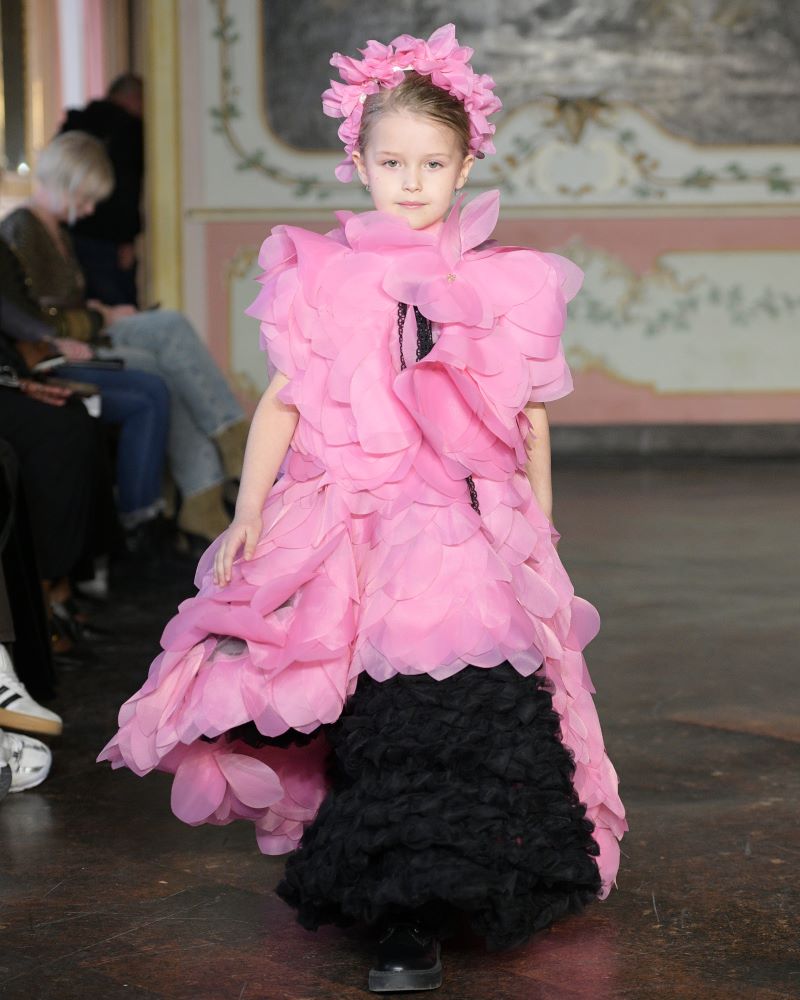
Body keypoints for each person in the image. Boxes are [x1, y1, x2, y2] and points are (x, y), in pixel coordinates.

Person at [99, 25, 627, 993]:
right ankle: (399, 906)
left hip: (462, 530)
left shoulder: (499, 281)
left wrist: (537, 532)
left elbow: (529, 420)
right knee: (383, 709)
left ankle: (453, 882)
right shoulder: (326, 277)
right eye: (391, 163)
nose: (411, 182)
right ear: (359, 161)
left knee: (465, 700)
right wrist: (248, 511)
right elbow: (284, 400)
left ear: (466, 164)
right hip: (359, 524)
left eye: (432, 163)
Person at [0, 131, 249, 548]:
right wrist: (102, 315)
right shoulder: (22, 228)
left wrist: (97, 310)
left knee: (170, 330)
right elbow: (37, 320)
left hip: (83, 333)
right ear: (65, 183)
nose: (90, 209)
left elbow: (54, 306)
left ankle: (210, 482)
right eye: (85, 198)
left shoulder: (52, 228)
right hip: (62, 349)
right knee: (165, 350)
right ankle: (220, 465)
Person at [60, 73, 144, 306]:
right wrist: (127, 239)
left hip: (71, 228)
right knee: (118, 304)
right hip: (108, 235)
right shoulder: (128, 129)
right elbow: (127, 189)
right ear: (134, 98)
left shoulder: (76, 123)